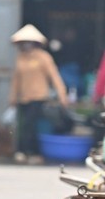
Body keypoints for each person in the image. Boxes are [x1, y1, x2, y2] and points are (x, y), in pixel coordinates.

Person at [8, 24, 68, 164]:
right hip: (23, 97)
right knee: (23, 125)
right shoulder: (20, 58)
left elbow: (54, 77)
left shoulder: (43, 57)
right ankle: (22, 151)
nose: (27, 45)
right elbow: (16, 79)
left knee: (31, 125)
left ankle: (33, 153)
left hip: (38, 97)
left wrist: (62, 95)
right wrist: (12, 97)